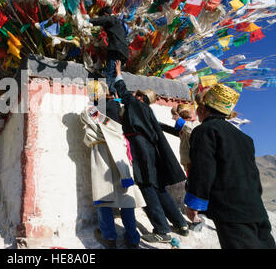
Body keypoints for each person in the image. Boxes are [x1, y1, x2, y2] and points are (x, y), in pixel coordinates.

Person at [184, 84, 276, 249]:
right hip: (255, 208)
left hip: (231, 212)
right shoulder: (245, 138)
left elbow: (203, 170)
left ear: (203, 109)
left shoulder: (205, 130)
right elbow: (253, 175)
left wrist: (194, 203)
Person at [113, 60, 189, 243]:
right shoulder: (148, 111)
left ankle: (162, 230)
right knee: (158, 187)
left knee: (147, 186)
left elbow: (121, 89)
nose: (134, 95)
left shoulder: (134, 103)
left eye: (137, 94)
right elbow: (161, 128)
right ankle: (181, 223)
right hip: (152, 151)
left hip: (140, 148)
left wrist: (117, 72)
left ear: (140, 97)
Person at [81, 80, 146, 249]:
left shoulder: (91, 111)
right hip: (119, 153)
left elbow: (97, 123)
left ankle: (109, 237)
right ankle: (132, 238)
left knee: (104, 196)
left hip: (102, 154)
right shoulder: (116, 107)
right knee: (125, 197)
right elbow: (116, 127)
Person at [90, 6, 129, 88]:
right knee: (114, 75)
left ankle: (104, 97)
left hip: (116, 49)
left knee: (108, 73)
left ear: (105, 14)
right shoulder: (117, 23)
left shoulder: (112, 19)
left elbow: (104, 19)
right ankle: (112, 94)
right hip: (124, 52)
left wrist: (89, 21)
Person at [160, 104, 200, 176]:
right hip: (187, 162)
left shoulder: (195, 124)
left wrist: (182, 122)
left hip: (194, 161)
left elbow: (193, 131)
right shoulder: (184, 127)